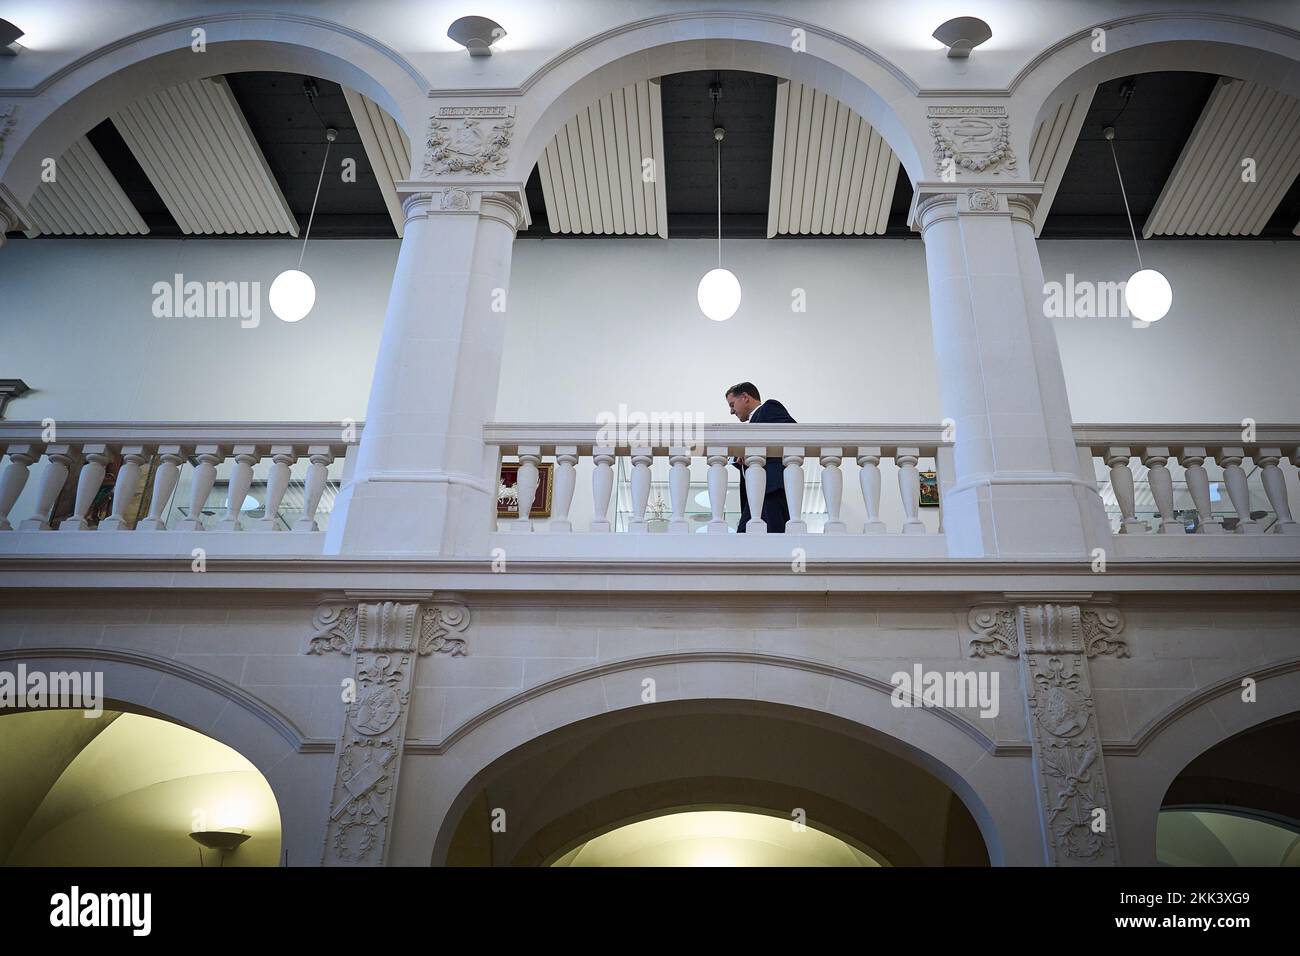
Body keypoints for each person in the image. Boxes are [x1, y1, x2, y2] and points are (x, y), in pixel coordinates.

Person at [724, 382, 796, 533]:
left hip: (771, 490)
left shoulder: (769, 407)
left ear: (745, 397)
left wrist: (749, 447)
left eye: (732, 404)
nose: (731, 411)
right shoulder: (752, 424)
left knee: (776, 541)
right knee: (744, 542)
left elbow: (792, 432)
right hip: (754, 498)